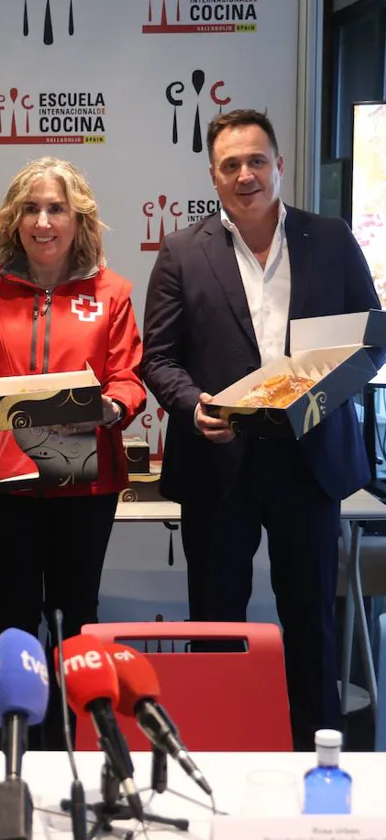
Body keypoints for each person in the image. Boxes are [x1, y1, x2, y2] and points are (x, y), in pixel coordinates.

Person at [142, 110, 381, 749]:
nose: (244, 175)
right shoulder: (181, 251)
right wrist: (194, 406)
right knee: (216, 623)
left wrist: (320, 396)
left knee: (311, 625)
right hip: (219, 466)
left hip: (310, 462)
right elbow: (157, 360)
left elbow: (370, 342)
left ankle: (319, 764)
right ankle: (218, 754)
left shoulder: (330, 239)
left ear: (279, 165)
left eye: (256, 161)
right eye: (230, 165)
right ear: (213, 177)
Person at [0, 156, 145, 648]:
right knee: (11, 611)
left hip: (86, 486)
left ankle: (77, 722)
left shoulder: (112, 293)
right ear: (14, 219)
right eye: (31, 209)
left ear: (79, 220)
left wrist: (112, 408)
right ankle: (16, 723)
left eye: (57, 208)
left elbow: (128, 379)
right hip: (0, 484)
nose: (43, 222)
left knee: (77, 613)